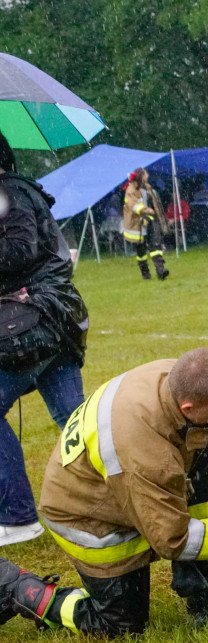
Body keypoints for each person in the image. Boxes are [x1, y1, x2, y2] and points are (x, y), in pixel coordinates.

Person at [0, 347, 208, 635]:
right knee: (121, 625)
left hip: (122, 482)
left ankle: (206, 582)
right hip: (90, 520)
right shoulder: (150, 459)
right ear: (187, 408)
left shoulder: (179, 376)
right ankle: (19, 588)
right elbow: (174, 540)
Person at [0, 131, 89, 547]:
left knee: (75, 421)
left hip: (31, 324)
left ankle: (18, 515)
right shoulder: (16, 190)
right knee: (77, 422)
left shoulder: (8, 194)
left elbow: (18, 251)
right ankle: (109, 500)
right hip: (52, 322)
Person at [123, 168, 170, 280]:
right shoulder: (131, 189)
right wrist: (145, 210)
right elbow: (132, 205)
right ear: (142, 175)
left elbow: (155, 203)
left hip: (151, 220)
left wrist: (158, 217)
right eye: (146, 173)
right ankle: (145, 273)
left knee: (156, 244)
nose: (148, 175)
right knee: (141, 251)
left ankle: (160, 270)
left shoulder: (148, 187)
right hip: (137, 223)